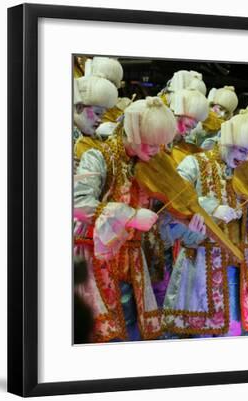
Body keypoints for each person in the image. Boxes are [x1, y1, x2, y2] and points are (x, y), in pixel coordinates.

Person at [162, 113, 248, 337]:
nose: (245, 158)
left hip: (237, 267)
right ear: (226, 141)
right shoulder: (195, 163)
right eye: (241, 150)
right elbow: (171, 202)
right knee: (198, 336)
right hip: (199, 263)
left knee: (234, 332)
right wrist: (210, 208)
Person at [73, 97, 177, 342]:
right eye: (151, 143)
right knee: (103, 335)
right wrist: (129, 216)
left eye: (160, 144)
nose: (155, 150)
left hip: (131, 259)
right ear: (131, 132)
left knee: (133, 329)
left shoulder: (145, 164)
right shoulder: (97, 157)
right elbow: (78, 204)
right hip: (95, 257)